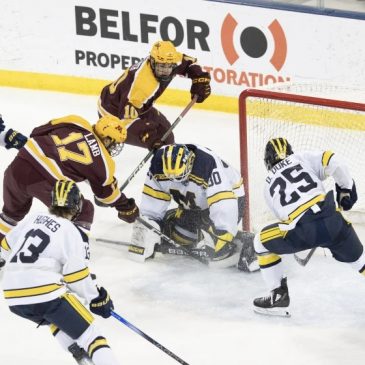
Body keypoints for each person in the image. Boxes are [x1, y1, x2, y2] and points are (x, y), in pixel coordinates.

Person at [0, 180, 119, 365]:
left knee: (56, 320)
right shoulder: (71, 231)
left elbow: (5, 247)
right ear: (76, 204)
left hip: (12, 295)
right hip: (45, 293)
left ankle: (81, 356)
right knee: (91, 335)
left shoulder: (34, 218)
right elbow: (76, 276)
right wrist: (97, 298)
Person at [253, 137, 364, 317]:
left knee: (260, 242)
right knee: (361, 262)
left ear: (267, 161)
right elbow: (332, 159)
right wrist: (346, 189)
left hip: (303, 231)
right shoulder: (300, 158)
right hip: (331, 218)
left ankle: (278, 296)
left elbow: (286, 221)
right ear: (290, 151)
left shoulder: (267, 185)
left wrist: (306, 241)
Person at [0, 114, 139, 244]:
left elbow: (37, 132)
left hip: (17, 167)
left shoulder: (76, 121)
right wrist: (126, 206)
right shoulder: (104, 163)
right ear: (107, 139)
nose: (114, 147)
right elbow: (107, 195)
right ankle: (76, 257)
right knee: (85, 211)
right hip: (44, 181)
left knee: (10, 215)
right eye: (114, 143)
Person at [128, 143, 258, 271]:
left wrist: (224, 232)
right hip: (193, 204)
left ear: (190, 162)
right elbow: (154, 198)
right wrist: (149, 224)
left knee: (217, 250)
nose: (175, 181)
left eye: (180, 177)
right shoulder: (158, 164)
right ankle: (179, 220)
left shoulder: (206, 164)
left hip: (231, 197)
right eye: (171, 178)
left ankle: (243, 240)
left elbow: (223, 201)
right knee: (180, 238)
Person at [98, 40, 211, 150]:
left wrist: (199, 78)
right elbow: (126, 121)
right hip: (113, 112)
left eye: (169, 66)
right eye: (161, 67)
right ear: (152, 62)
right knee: (160, 139)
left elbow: (189, 63)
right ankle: (101, 132)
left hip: (135, 104)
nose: (166, 71)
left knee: (166, 133)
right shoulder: (143, 85)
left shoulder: (170, 60)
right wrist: (149, 137)